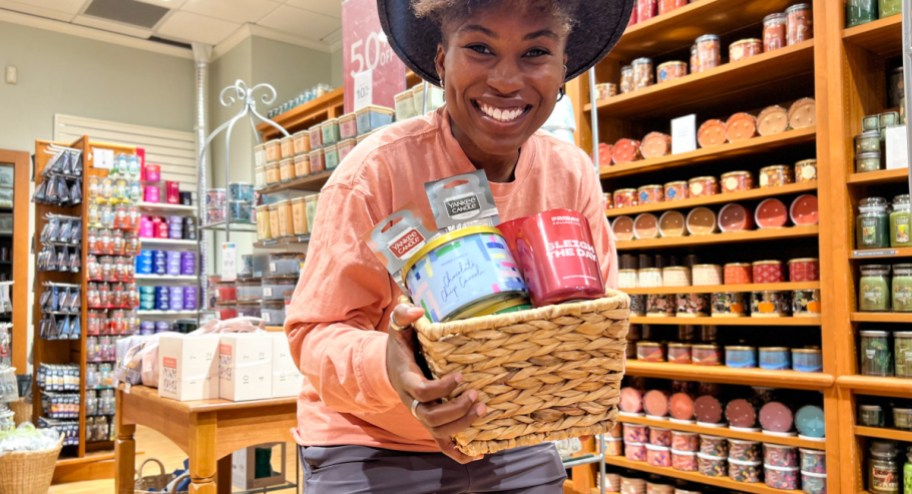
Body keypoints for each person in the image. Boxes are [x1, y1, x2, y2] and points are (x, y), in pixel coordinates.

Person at [284, 0, 633, 491]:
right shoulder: (374, 173)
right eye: (480, 47)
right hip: (374, 441)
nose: (507, 81)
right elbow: (315, 334)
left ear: (562, 70)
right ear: (442, 60)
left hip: (511, 434)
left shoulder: (570, 174)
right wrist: (388, 366)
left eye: (536, 51)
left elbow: (592, 314)